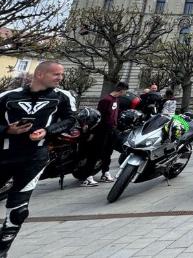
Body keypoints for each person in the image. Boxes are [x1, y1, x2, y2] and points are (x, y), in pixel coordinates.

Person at [0, 61, 76, 257]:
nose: (60, 78)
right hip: (5, 154)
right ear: (40, 74)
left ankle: (2, 251)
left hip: (35, 157)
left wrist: (47, 131)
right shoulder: (8, 96)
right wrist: (8, 130)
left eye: (62, 74)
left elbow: (70, 120)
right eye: (56, 74)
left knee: (18, 209)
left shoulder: (62, 97)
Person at [82, 81, 129, 187]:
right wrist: (93, 131)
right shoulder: (105, 100)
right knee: (96, 153)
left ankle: (105, 172)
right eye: (125, 91)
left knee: (108, 152)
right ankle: (87, 176)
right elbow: (99, 116)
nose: (126, 93)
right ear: (121, 90)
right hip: (102, 130)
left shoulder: (116, 99)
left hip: (111, 129)